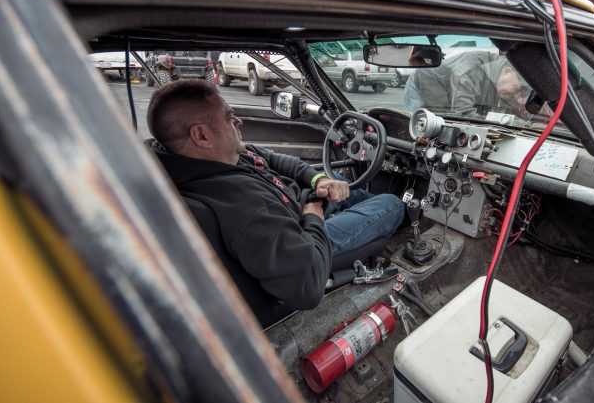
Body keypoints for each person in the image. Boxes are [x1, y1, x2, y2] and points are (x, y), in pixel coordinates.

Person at [146, 79, 404, 324]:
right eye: (229, 118)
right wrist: (314, 214)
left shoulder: (217, 158)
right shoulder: (247, 207)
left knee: (338, 181)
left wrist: (317, 181)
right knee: (391, 204)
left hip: (297, 210)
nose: (238, 122)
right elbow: (308, 285)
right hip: (304, 242)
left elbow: (275, 159)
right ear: (201, 136)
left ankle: (353, 214)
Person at [403, 49, 529, 117]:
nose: (518, 98)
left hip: (448, 92)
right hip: (421, 83)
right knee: (418, 126)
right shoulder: (469, 72)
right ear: (507, 71)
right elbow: (463, 113)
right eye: (516, 89)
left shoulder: (498, 76)